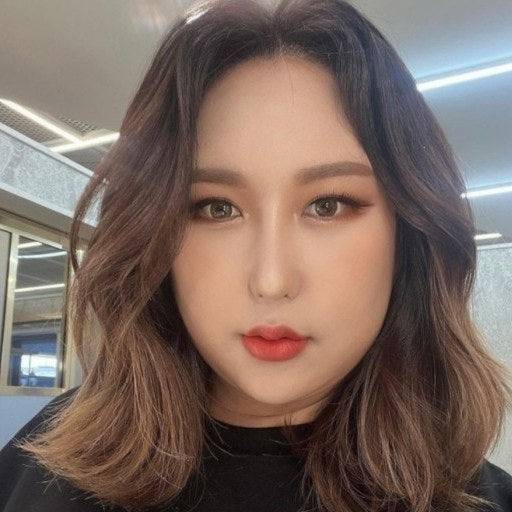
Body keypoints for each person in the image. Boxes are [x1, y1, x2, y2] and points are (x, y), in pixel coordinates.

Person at [1, 0, 512, 511]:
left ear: (408, 230)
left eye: (327, 205)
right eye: (217, 208)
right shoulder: (45, 467)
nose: (271, 280)